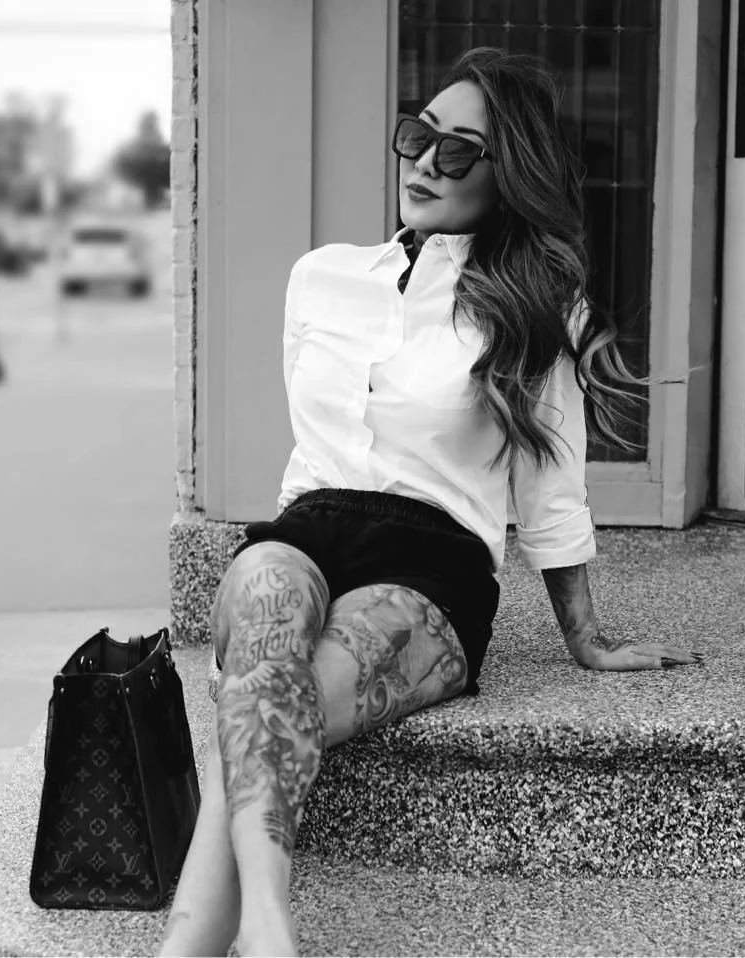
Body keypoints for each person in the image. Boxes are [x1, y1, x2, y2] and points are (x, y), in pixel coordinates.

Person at [158, 47, 702, 958]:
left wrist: (586, 634)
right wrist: (282, 559)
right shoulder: (321, 276)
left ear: (508, 174)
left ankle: (215, 940)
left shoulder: (536, 304)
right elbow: (311, 449)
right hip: (307, 529)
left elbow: (552, 485)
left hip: (432, 563)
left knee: (257, 698)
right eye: (418, 137)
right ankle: (267, 931)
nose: (423, 162)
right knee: (262, 602)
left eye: (458, 152)